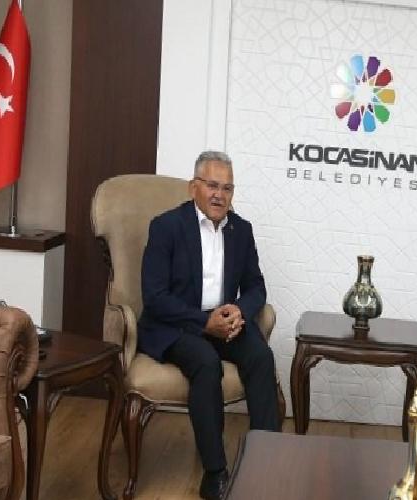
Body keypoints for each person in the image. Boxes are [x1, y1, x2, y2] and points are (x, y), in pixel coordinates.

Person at [137, 151, 280, 499]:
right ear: (193, 188)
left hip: (223, 321)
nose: (220, 195)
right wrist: (204, 322)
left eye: (227, 188)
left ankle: (267, 463)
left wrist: (239, 311)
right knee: (205, 362)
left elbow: (256, 286)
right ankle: (215, 473)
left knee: (261, 357)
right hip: (176, 325)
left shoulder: (241, 230)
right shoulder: (166, 226)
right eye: (212, 186)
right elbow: (154, 297)